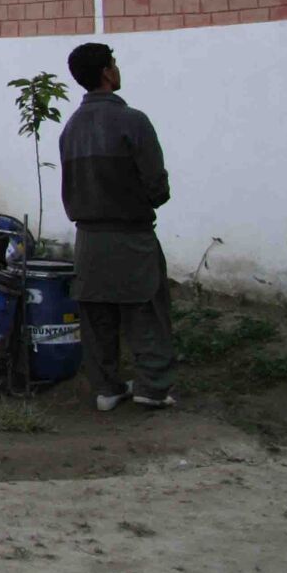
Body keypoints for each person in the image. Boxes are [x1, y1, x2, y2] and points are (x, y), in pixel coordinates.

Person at [59, 43, 178, 412]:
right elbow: (156, 187)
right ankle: (152, 388)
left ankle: (107, 389)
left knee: (97, 319)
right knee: (146, 312)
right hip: (132, 237)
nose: (117, 68)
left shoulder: (71, 128)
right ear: (107, 73)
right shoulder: (133, 122)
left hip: (88, 241)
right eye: (114, 62)